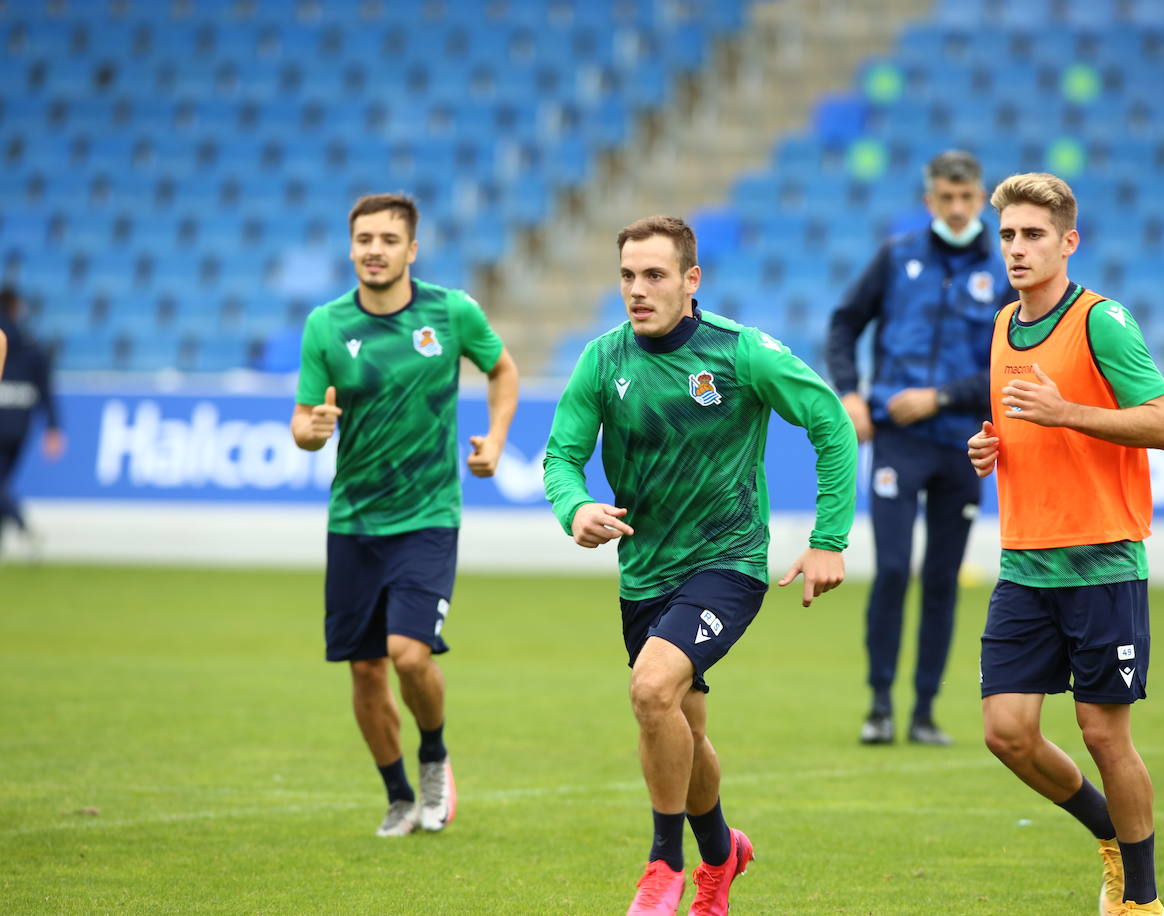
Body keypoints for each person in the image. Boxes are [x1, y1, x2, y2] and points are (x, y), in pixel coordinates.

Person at [544, 215, 857, 915]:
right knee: (685, 732)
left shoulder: (741, 354)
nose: (637, 289)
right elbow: (561, 455)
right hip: (645, 572)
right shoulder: (603, 360)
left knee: (650, 689)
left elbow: (830, 423)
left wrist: (828, 537)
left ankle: (664, 866)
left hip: (728, 561)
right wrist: (576, 508)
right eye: (627, 275)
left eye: (654, 275)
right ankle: (723, 855)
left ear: (692, 280)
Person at [966, 173, 1164, 916]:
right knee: (1007, 733)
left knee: (1101, 733)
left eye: (1032, 235)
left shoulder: (1102, 321)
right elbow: (1020, 427)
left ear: (1068, 241)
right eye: (1008, 236)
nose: (1018, 249)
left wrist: (1066, 412)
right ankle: (1109, 835)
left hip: (1101, 562)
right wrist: (989, 448)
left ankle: (1141, 901)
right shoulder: (1000, 327)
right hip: (1025, 562)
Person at [290, 193, 519, 837]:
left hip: (428, 516)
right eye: (364, 238)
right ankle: (397, 797)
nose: (374, 249)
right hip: (354, 521)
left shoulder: (450, 312)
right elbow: (303, 424)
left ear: (411, 250)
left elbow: (502, 369)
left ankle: (435, 757)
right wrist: (313, 429)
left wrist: (496, 437)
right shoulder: (326, 326)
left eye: (388, 239)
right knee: (364, 669)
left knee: (409, 656)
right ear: (351, 246)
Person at [826, 149, 1011, 746]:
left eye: (966, 197)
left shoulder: (1004, 266)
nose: (957, 208)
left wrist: (940, 397)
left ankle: (925, 710)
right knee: (894, 570)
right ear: (929, 199)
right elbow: (843, 323)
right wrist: (850, 393)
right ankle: (879, 703)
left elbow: (1013, 364)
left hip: (964, 444)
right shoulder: (897, 255)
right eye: (945, 197)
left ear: (980, 197)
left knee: (940, 577)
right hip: (899, 442)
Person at [0, 287, 65, 559]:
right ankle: (16, 528)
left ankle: (20, 525)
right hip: (21, 425)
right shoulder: (31, 345)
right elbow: (46, 391)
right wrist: (53, 427)